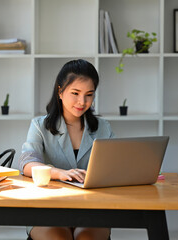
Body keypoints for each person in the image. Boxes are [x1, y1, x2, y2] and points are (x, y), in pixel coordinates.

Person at [19, 59, 114, 240]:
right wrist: (59, 173)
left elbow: (118, 163)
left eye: (89, 94)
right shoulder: (40, 125)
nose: (82, 101)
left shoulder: (103, 127)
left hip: (92, 210)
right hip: (48, 209)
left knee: (86, 237)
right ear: (60, 91)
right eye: (75, 93)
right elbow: (27, 164)